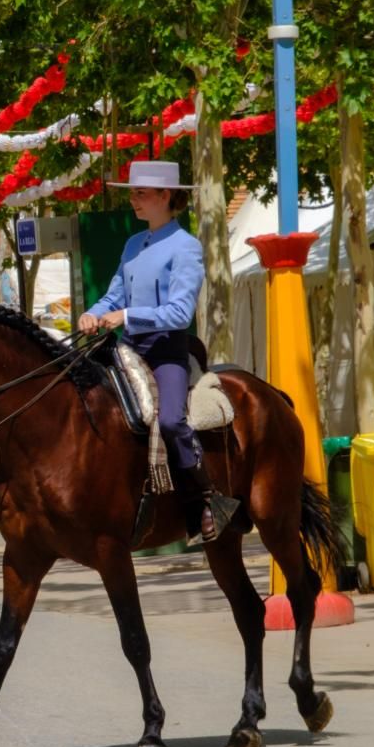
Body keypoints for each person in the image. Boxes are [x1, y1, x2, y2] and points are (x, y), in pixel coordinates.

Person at [77, 159, 240, 548]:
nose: (133, 200)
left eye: (141, 193)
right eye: (133, 193)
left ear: (166, 196)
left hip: (166, 351)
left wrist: (126, 316)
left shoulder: (186, 247)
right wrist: (93, 313)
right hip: (128, 349)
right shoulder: (133, 244)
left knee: (169, 421)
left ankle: (207, 499)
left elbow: (180, 313)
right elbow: (115, 294)